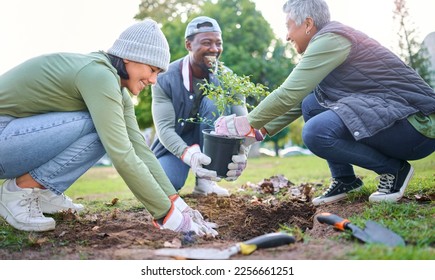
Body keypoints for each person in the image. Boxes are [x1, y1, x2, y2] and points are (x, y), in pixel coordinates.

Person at [0, 19, 217, 236]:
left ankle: (43, 191)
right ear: (130, 58)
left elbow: (139, 149)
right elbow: (123, 155)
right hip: (4, 134)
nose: (153, 80)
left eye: (158, 73)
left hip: (12, 139)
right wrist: (170, 218)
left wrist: (179, 205)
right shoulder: (99, 76)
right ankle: (19, 191)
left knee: (110, 127)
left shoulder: (115, 87)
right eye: (151, 69)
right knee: (101, 126)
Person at [214, 0, 435, 205]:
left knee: (316, 133)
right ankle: (345, 180)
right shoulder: (325, 48)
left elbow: (288, 93)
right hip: (397, 118)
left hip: (418, 125)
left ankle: (394, 170)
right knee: (311, 103)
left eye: (289, 26)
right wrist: (250, 136)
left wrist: (244, 122)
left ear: (308, 24)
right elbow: (298, 101)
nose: (287, 36)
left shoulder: (331, 39)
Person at [150, 16, 249, 196]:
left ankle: (206, 183)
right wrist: (190, 155)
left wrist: (243, 151)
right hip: (177, 143)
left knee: (213, 99)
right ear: (189, 45)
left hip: (213, 140)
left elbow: (244, 122)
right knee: (164, 183)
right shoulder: (165, 78)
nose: (214, 49)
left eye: (218, 43)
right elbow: (164, 129)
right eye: (206, 42)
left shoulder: (229, 79)